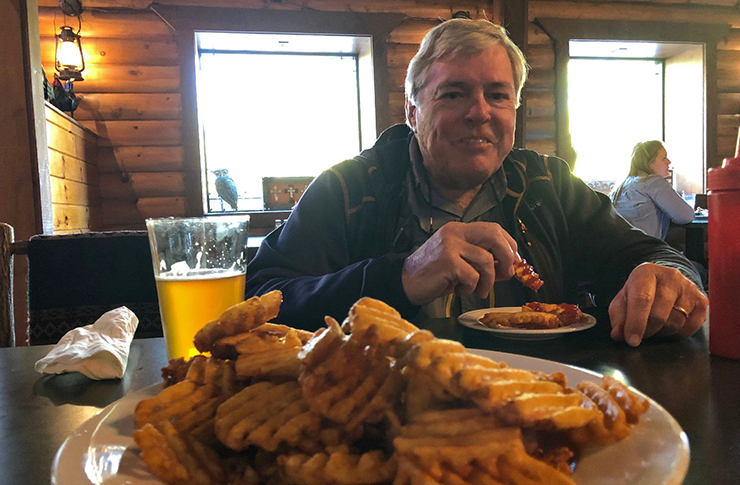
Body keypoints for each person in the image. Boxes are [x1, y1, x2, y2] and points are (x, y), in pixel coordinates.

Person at [245, 18, 707, 347]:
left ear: (514, 111)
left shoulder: (549, 184)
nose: (480, 111)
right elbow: (263, 298)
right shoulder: (346, 188)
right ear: (412, 112)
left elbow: (651, 256)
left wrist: (668, 279)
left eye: (498, 95)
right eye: (454, 93)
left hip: (534, 402)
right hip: (379, 412)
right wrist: (402, 276)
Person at [611, 141, 696, 240]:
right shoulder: (653, 183)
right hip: (643, 250)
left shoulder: (623, 184)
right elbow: (686, 216)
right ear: (648, 163)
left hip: (620, 249)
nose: (669, 162)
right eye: (663, 158)